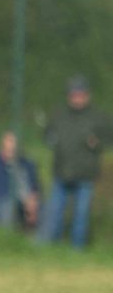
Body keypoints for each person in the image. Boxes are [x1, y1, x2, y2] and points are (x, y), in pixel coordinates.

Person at [37, 75, 111, 248]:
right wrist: (51, 139)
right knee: (55, 212)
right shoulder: (59, 115)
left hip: (85, 174)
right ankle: (52, 246)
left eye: (80, 94)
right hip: (61, 171)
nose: (77, 98)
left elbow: (108, 140)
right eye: (73, 94)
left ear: (87, 95)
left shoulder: (97, 117)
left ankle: (77, 249)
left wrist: (97, 143)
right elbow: (48, 134)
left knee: (80, 215)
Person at [0, 131, 40, 229]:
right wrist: (24, 201)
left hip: (27, 201)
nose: (11, 153)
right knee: (8, 206)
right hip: (1, 203)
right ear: (2, 149)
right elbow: (0, 191)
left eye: (13, 150)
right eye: (8, 150)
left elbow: (35, 185)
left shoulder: (26, 164)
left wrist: (33, 197)